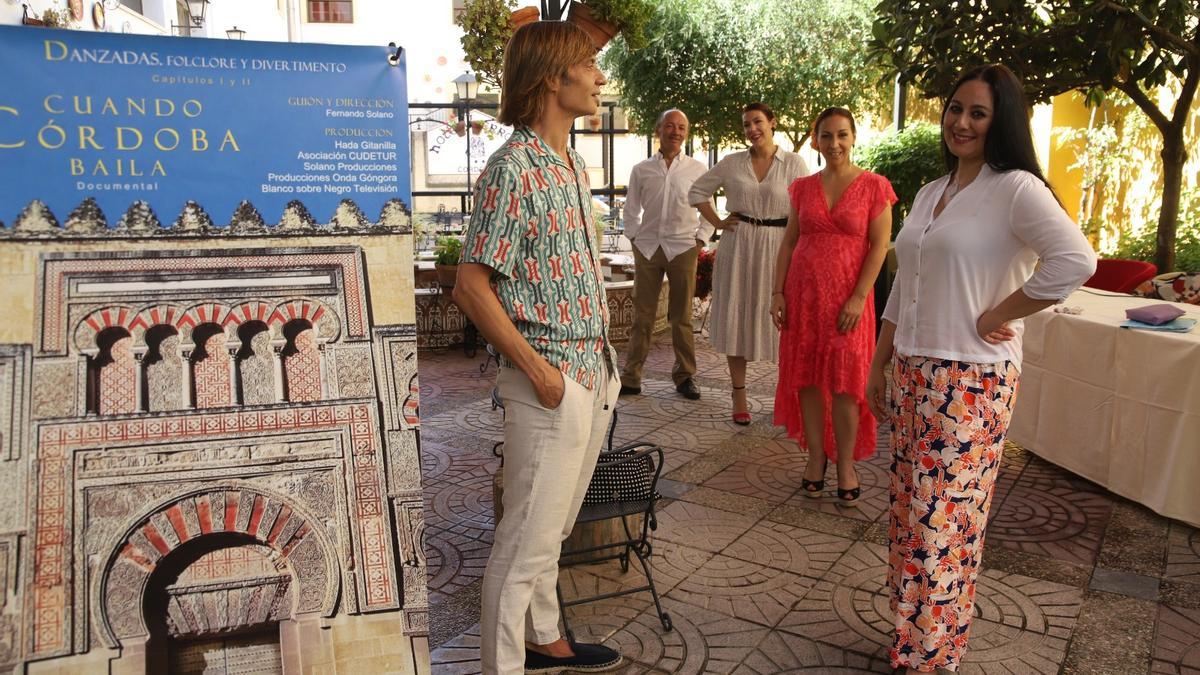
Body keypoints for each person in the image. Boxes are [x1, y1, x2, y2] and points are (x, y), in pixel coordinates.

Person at [866, 64, 1096, 674]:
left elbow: (1075, 259)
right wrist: (878, 362)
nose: (960, 122)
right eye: (954, 108)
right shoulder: (929, 192)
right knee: (912, 512)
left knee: (946, 517)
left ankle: (928, 654)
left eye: (977, 113)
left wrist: (1004, 307)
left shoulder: (1016, 188)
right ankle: (915, 636)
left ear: (1001, 123)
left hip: (972, 380)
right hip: (915, 371)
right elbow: (902, 286)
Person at [452, 21, 623, 675]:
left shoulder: (572, 163)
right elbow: (471, 285)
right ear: (555, 77)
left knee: (551, 529)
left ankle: (547, 638)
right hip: (550, 377)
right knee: (523, 542)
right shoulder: (511, 168)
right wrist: (539, 371)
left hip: (590, 369)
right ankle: (501, 664)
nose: (600, 77)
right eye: (589, 65)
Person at [770, 107, 895, 503]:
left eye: (842, 135)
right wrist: (778, 292)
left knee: (845, 385)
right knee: (806, 379)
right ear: (816, 140)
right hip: (803, 298)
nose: (834, 143)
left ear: (853, 138)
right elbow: (789, 242)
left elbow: (879, 247)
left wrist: (860, 297)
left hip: (848, 301)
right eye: (826, 136)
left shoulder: (875, 187)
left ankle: (844, 462)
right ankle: (814, 458)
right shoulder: (803, 188)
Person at [688, 103, 809, 424]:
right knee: (737, 316)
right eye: (746, 124)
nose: (752, 129)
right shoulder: (731, 163)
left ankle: (787, 396)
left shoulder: (794, 163)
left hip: (779, 245)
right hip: (738, 244)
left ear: (772, 123)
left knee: (785, 319)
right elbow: (697, 191)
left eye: (758, 121)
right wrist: (717, 221)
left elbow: (808, 205)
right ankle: (738, 395)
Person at [619, 108, 713, 400]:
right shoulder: (641, 169)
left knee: (682, 317)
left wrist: (700, 240)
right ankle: (632, 376)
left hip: (683, 247)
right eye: (670, 126)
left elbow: (708, 211)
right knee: (642, 317)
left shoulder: (697, 170)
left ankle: (685, 376)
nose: (676, 132)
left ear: (686, 133)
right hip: (648, 248)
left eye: (681, 128)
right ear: (658, 129)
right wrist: (634, 237)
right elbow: (630, 210)